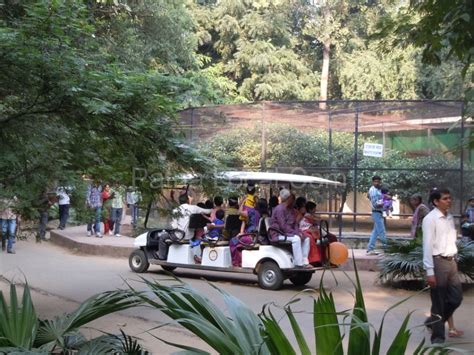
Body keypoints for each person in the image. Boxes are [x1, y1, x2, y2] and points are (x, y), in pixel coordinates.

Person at [422, 188, 463, 344]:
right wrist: (430, 271)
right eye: (445, 198)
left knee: (456, 298)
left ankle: (433, 322)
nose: (449, 201)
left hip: (451, 262)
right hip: (437, 262)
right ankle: (438, 338)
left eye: (449, 198)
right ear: (436, 202)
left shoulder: (449, 217)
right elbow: (427, 245)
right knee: (439, 301)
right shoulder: (430, 219)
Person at [157, 193, 211, 260]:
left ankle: (162, 257)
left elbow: (174, 226)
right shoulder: (194, 208)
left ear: (179, 201)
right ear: (188, 200)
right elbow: (208, 211)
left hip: (179, 236)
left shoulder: (176, 210)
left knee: (162, 237)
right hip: (190, 236)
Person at [269, 189, 311, 269]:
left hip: (287, 233)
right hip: (278, 234)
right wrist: (296, 233)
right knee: (296, 239)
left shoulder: (290, 209)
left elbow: (294, 223)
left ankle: (305, 261)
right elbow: (283, 227)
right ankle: (298, 264)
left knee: (306, 238)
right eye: (293, 198)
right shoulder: (279, 209)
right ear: (289, 198)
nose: (294, 201)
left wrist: (299, 232)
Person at [366, 175, 387, 255]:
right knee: (382, 231)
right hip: (376, 212)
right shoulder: (373, 191)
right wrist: (386, 201)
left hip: (378, 213)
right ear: (373, 182)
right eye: (375, 181)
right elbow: (376, 205)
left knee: (375, 232)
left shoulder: (377, 189)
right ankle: (387, 249)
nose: (377, 183)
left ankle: (370, 249)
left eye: (378, 181)